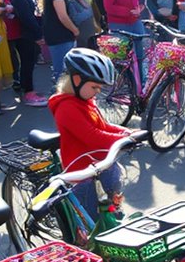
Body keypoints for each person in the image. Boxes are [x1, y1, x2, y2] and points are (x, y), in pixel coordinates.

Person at [48, 48, 129, 217]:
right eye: (94, 86)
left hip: (100, 163)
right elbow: (92, 136)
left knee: (112, 202)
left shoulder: (86, 100)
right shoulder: (66, 108)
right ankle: (83, 242)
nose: (98, 91)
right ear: (77, 80)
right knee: (89, 217)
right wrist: (122, 139)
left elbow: (103, 126)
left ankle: (111, 217)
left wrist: (126, 132)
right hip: (82, 172)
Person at [8, 0, 47, 107]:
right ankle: (28, 92)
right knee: (27, 63)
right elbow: (26, 18)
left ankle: (29, 90)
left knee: (30, 63)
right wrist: (38, 34)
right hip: (26, 36)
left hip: (30, 33)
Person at [40, 0, 80, 85]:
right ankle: (62, 99)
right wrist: (74, 29)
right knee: (63, 71)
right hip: (62, 36)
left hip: (55, 36)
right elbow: (62, 16)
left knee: (62, 70)